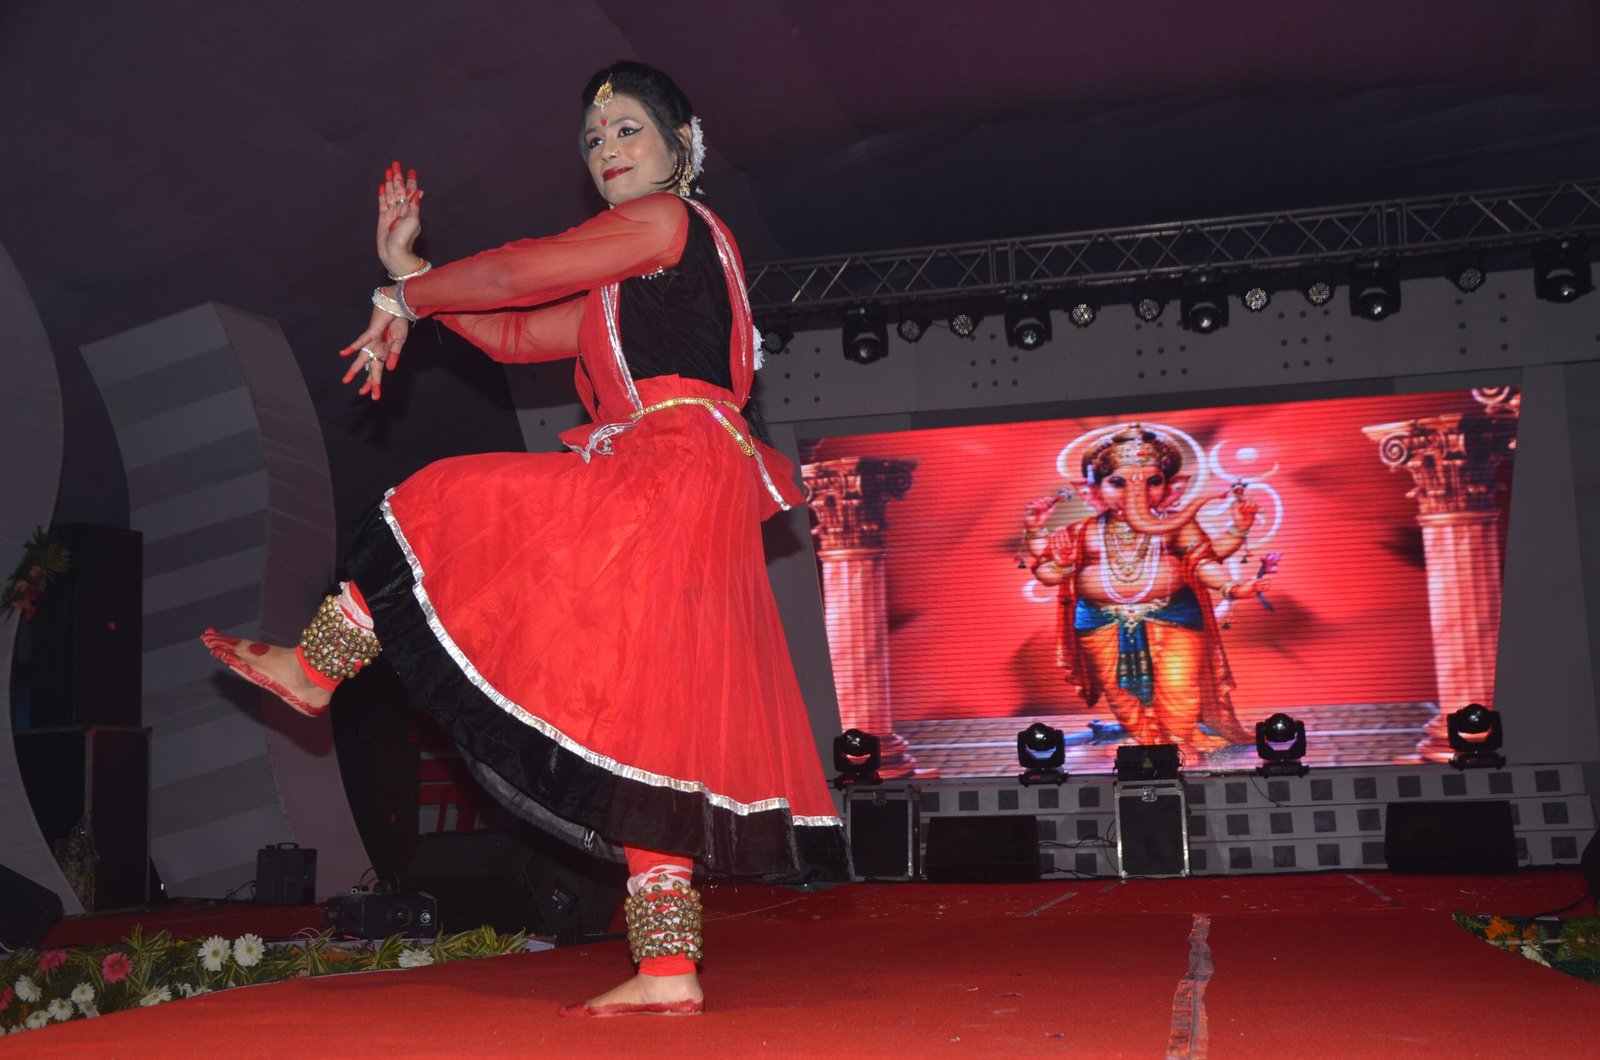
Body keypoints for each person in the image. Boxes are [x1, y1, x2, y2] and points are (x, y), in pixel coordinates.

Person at [202, 60, 848, 1017]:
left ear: (681, 144)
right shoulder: (635, 276)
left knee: (444, 498)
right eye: (593, 140)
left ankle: (316, 668)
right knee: (646, 719)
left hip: (668, 465)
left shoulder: (665, 223)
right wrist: (411, 276)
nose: (606, 150)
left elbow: (514, 271)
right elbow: (512, 334)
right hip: (682, 476)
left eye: (627, 129)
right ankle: (669, 965)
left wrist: (403, 301)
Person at [1022, 425, 1272, 755]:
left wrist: (1230, 585)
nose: (1135, 493)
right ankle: (1149, 742)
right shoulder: (1082, 531)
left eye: (1152, 481)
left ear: (1173, 487)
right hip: (1101, 622)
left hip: (1173, 615)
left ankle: (1180, 741)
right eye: (1118, 483)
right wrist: (1048, 545)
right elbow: (1047, 572)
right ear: (1092, 490)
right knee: (1120, 692)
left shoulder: (1177, 525)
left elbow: (1202, 560)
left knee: (1179, 682)